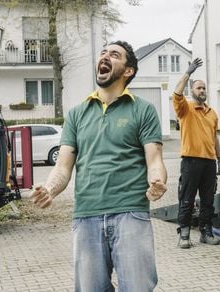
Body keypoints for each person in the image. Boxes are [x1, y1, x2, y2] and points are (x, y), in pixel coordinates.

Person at [31, 41, 167, 292]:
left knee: (137, 288)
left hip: (130, 212)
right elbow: (62, 167)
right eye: (103, 52)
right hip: (86, 215)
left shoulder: (143, 109)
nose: (105, 56)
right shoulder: (77, 113)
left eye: (114, 55)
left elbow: (155, 158)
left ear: (128, 71)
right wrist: (50, 189)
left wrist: (156, 181)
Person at [173, 57, 220, 249]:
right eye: (198, 88)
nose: (202, 91)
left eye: (203, 88)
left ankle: (206, 231)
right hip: (191, 161)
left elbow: (215, 137)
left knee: (208, 201)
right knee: (186, 198)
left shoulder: (212, 113)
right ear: (192, 91)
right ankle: (184, 234)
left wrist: (219, 157)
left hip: (209, 162)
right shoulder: (185, 108)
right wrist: (188, 73)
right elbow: (176, 93)